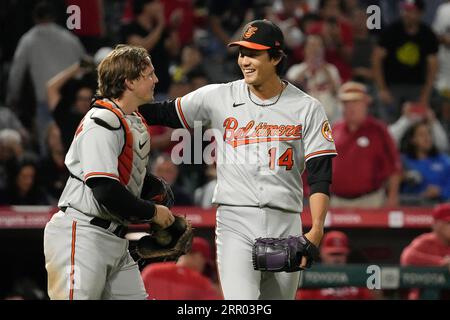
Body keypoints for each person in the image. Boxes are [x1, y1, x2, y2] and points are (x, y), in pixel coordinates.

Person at [140, 20, 337, 299]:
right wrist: (115, 104)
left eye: (254, 53)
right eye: (242, 52)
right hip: (236, 219)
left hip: (286, 220)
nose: (245, 60)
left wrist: (316, 230)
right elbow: (163, 113)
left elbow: (320, 174)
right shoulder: (219, 95)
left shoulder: (307, 107)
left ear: (277, 57)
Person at [43, 45, 175, 300]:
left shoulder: (131, 120)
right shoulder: (101, 121)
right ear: (129, 81)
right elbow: (105, 189)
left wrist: (149, 188)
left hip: (115, 237)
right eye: (149, 74)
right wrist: (151, 212)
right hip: (82, 233)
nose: (156, 80)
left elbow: (121, 176)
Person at [331, 81, 402, 208]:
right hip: (336, 201)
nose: (350, 107)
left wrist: (392, 197)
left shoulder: (379, 130)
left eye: (355, 102)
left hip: (370, 200)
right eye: (346, 103)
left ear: (366, 103)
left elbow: (394, 167)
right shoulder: (334, 129)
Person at [372, 0, 439, 123]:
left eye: (411, 11)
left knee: (418, 122)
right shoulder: (391, 31)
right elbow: (376, 59)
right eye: (405, 11)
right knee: (387, 119)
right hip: (392, 86)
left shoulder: (428, 34)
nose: (407, 14)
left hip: (417, 87)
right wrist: (382, 89)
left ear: (420, 13)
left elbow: (433, 67)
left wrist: (425, 95)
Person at [296, 231, 375, 300]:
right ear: (322, 253)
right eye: (332, 254)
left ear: (347, 254)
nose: (337, 259)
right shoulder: (312, 277)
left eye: (340, 254)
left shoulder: (357, 277)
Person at [141, 237, 222, 299]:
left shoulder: (151, 271)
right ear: (198, 256)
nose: (203, 267)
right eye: (205, 263)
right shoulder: (201, 282)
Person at [400, 203, 450, 299]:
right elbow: (407, 257)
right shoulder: (426, 241)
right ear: (436, 224)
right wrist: (441, 262)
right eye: (448, 223)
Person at [399, 121, 450, 204]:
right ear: (413, 140)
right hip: (410, 210)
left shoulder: (445, 162)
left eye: (429, 134)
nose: (427, 138)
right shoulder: (403, 162)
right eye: (422, 135)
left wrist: (441, 192)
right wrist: (402, 178)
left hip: (440, 207)